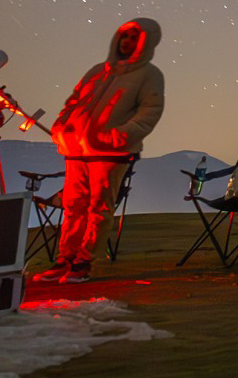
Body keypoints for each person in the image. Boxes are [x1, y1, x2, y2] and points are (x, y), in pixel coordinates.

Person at [47, 18, 166, 282]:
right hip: (76, 149)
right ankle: (65, 259)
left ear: (146, 42)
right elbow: (73, 102)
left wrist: (118, 136)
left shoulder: (149, 75)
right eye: (125, 36)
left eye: (134, 38)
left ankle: (83, 262)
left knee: (99, 208)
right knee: (73, 205)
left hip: (111, 152)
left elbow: (150, 112)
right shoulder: (97, 71)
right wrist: (61, 127)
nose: (127, 42)